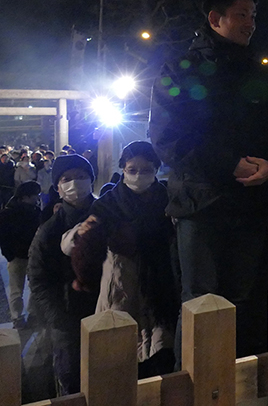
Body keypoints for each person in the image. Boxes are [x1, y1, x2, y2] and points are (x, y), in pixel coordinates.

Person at [150, 0, 268, 359]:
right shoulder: (180, 70)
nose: (251, 24)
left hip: (250, 207)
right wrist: (229, 165)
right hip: (200, 207)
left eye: (254, 16)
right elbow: (168, 138)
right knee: (200, 303)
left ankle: (232, 382)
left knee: (241, 300)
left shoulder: (261, 73)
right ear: (215, 18)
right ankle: (192, 384)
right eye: (242, 14)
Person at [61, 141, 179, 377]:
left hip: (162, 299)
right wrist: (80, 233)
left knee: (160, 368)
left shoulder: (171, 201)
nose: (138, 176)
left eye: (146, 170)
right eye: (132, 169)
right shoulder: (107, 204)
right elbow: (69, 244)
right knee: (119, 369)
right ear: (123, 169)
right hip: (120, 296)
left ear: (156, 170)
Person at [27, 154, 97, 396]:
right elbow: (38, 278)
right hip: (67, 320)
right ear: (57, 187)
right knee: (72, 385)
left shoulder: (109, 216)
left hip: (108, 312)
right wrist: (57, 318)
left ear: (91, 180)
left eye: (80, 176)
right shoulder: (49, 230)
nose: (74, 183)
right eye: (66, 179)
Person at [0, 181, 41, 329]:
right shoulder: (9, 213)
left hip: (29, 256)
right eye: (35, 195)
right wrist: (9, 255)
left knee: (23, 287)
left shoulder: (34, 211)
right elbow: (3, 236)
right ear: (25, 197)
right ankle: (23, 316)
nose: (37, 198)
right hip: (19, 257)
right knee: (22, 288)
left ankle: (22, 316)